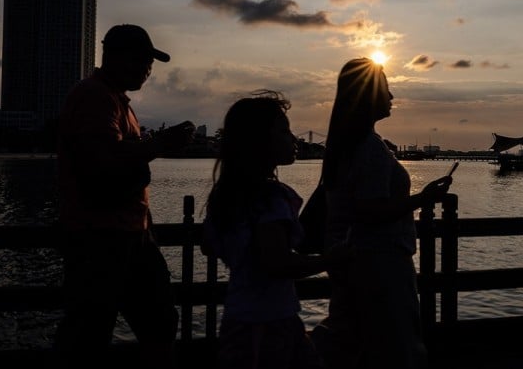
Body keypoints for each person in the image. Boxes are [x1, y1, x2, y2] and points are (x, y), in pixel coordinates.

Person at [54, 24, 195, 368]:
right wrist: (160, 145)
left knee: (156, 321)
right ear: (115, 57)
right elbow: (102, 160)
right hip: (101, 238)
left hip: (129, 236)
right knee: (91, 332)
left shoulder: (116, 101)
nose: (148, 68)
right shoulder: (95, 96)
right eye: (142, 59)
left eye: (149, 61)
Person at [311, 57, 453, 369]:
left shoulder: (346, 145)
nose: (391, 97)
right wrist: (423, 198)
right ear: (368, 95)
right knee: (397, 347)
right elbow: (370, 210)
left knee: (349, 342)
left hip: (351, 260)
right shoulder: (369, 147)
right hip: (380, 262)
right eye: (386, 89)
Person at [200, 90, 350, 369]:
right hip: (268, 323)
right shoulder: (270, 199)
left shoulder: (227, 196)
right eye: (283, 131)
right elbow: (278, 263)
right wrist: (331, 259)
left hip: (239, 317)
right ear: (259, 142)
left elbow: (210, 245)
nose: (293, 140)